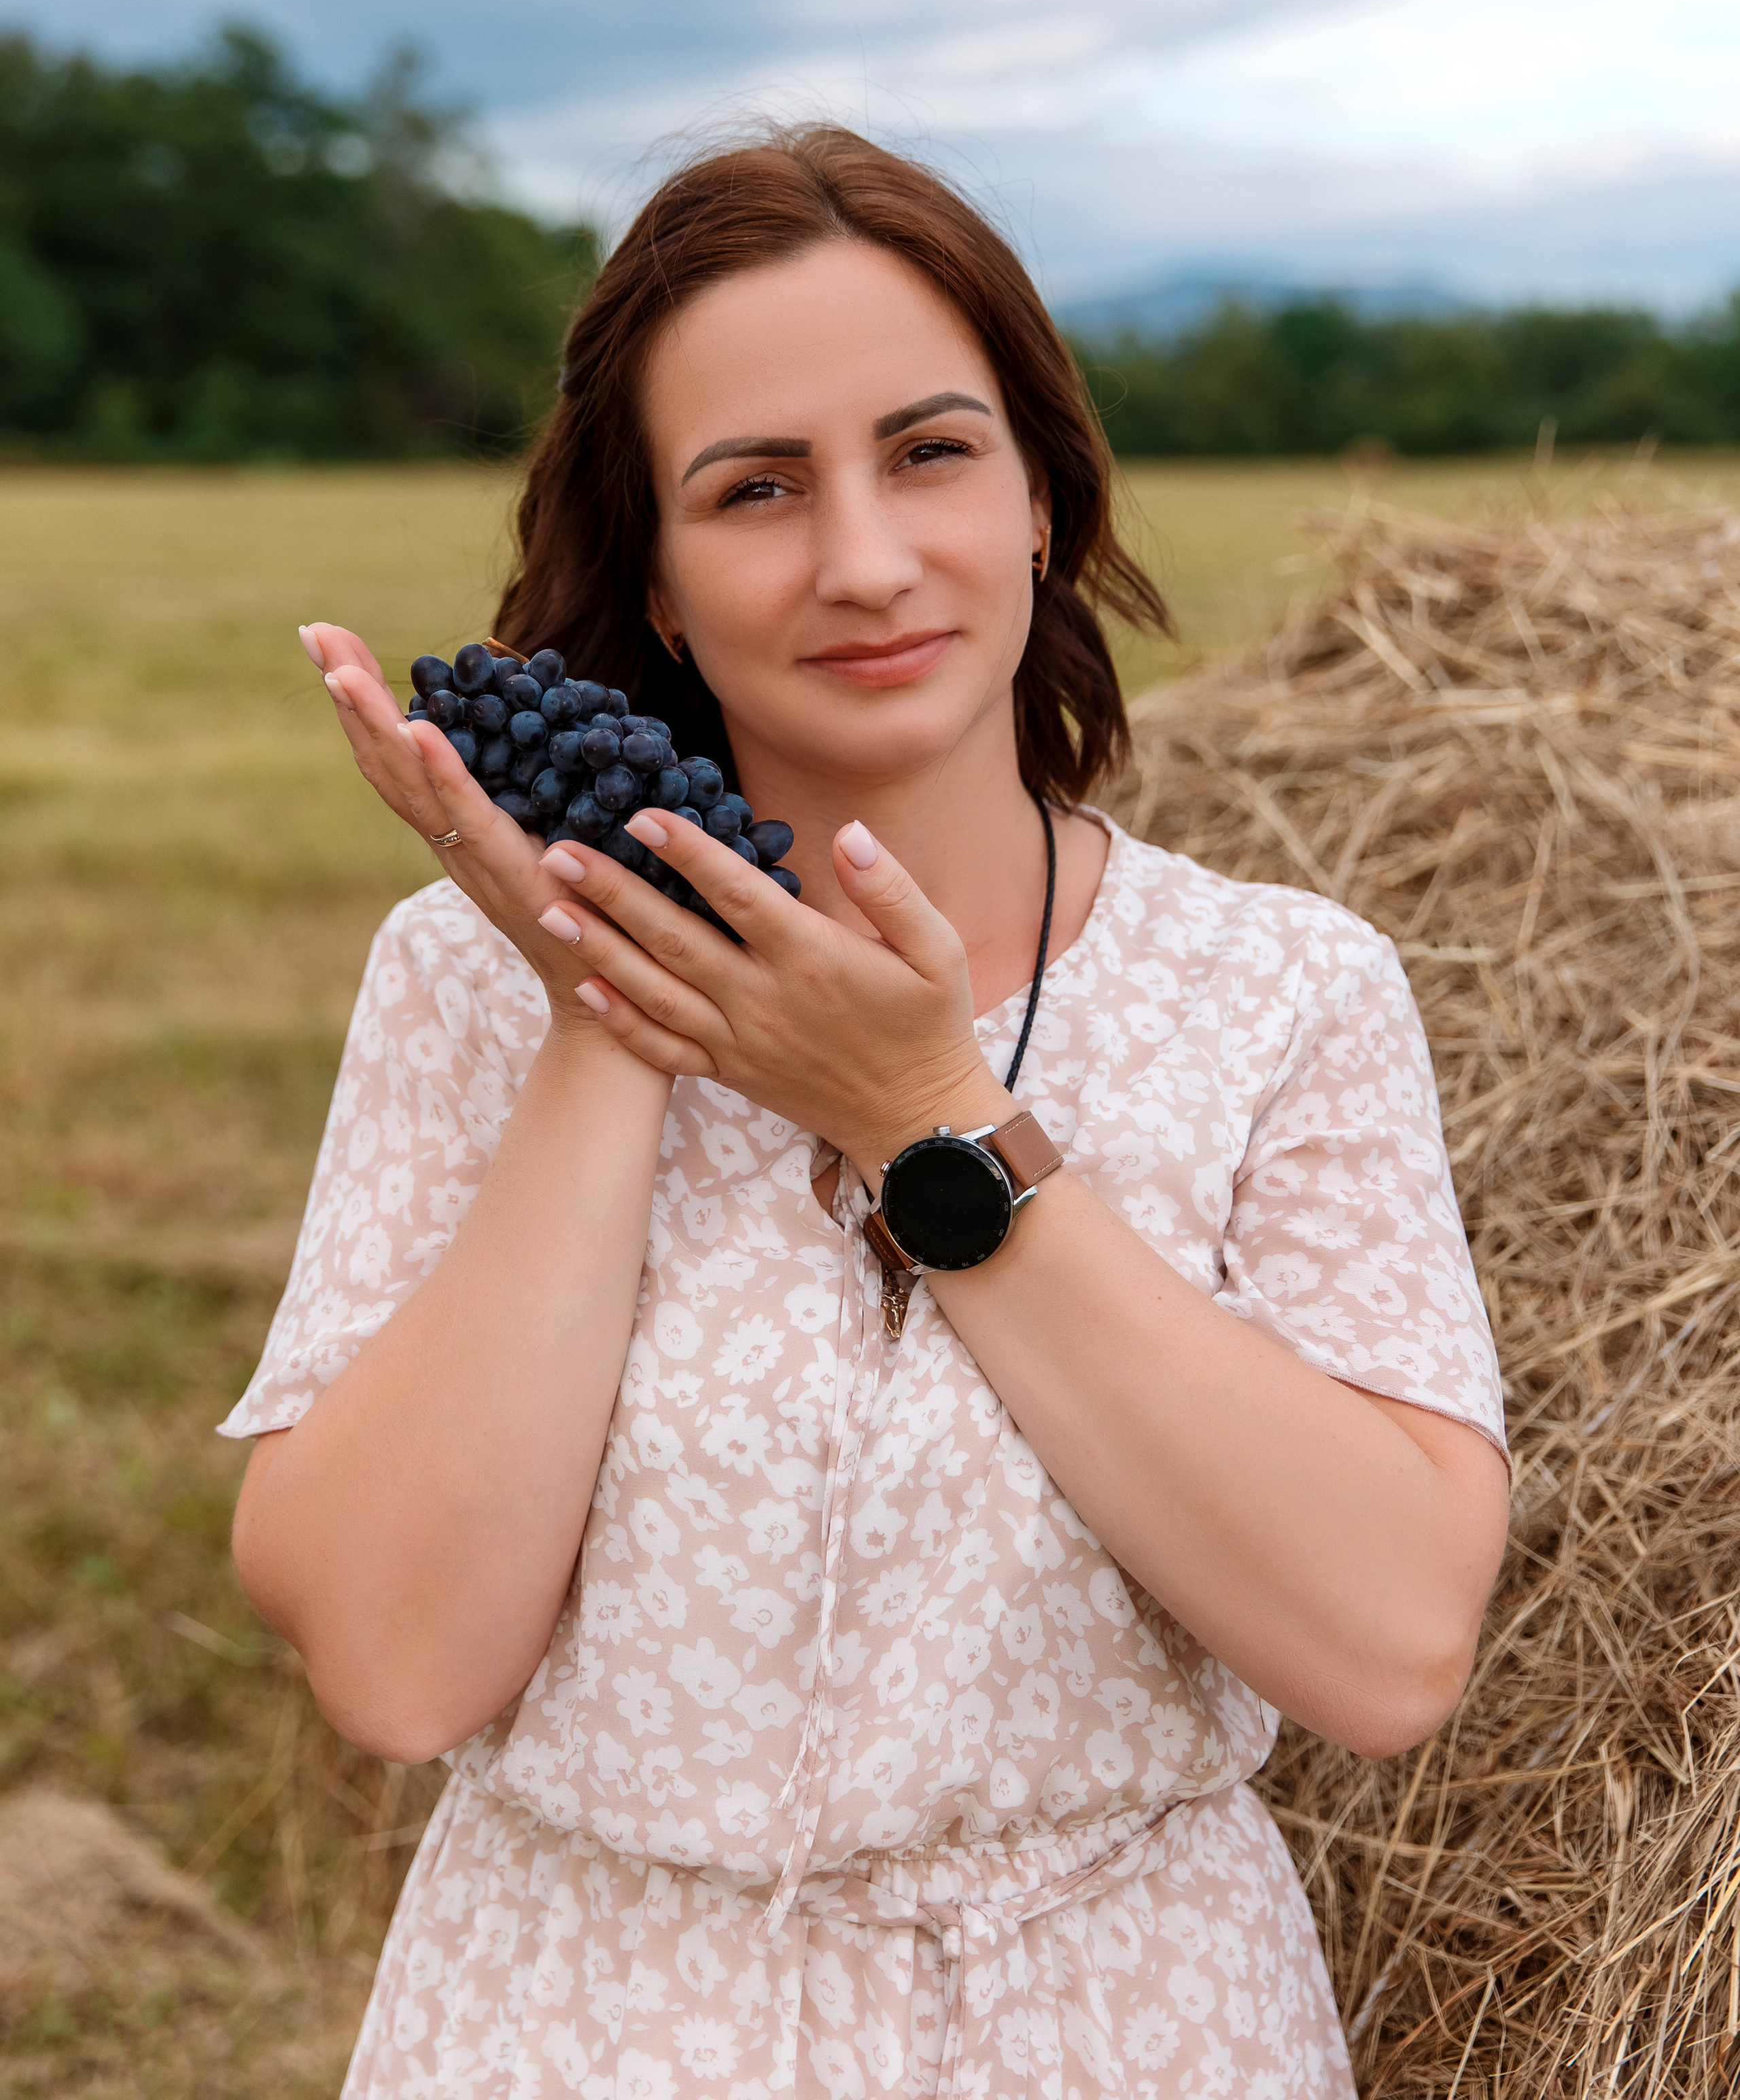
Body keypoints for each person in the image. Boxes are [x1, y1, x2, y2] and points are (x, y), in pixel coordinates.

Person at [227, 127, 1509, 2100]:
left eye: (931, 452)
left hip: (1129, 2036)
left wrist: (926, 1113)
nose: (864, 559)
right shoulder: (467, 981)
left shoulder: (1284, 995)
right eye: (755, 488)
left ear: (1045, 503)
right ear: (650, 569)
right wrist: (609, 1017)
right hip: (587, 2031)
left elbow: (1389, 1643)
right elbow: (400, 1667)